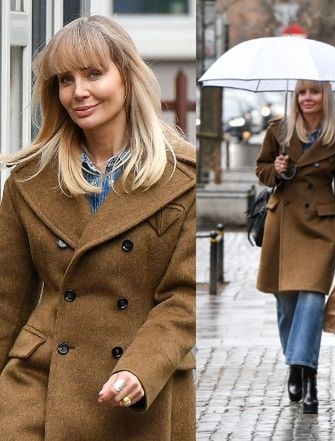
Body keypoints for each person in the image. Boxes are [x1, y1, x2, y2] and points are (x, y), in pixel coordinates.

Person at [0, 16, 196, 440]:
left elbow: (184, 297)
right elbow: (6, 300)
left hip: (145, 390)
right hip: (42, 388)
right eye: (65, 80)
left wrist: (141, 367)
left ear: (126, 76)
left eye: (93, 74)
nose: (79, 92)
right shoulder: (29, 181)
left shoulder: (183, 177)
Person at [256, 80, 335, 415]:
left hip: (321, 226)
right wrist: (276, 169)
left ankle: (307, 372)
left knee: (313, 300)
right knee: (287, 301)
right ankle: (296, 364)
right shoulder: (279, 132)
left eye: (314, 92)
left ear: (325, 96)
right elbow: (261, 170)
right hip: (284, 224)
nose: (307, 98)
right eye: (302, 92)